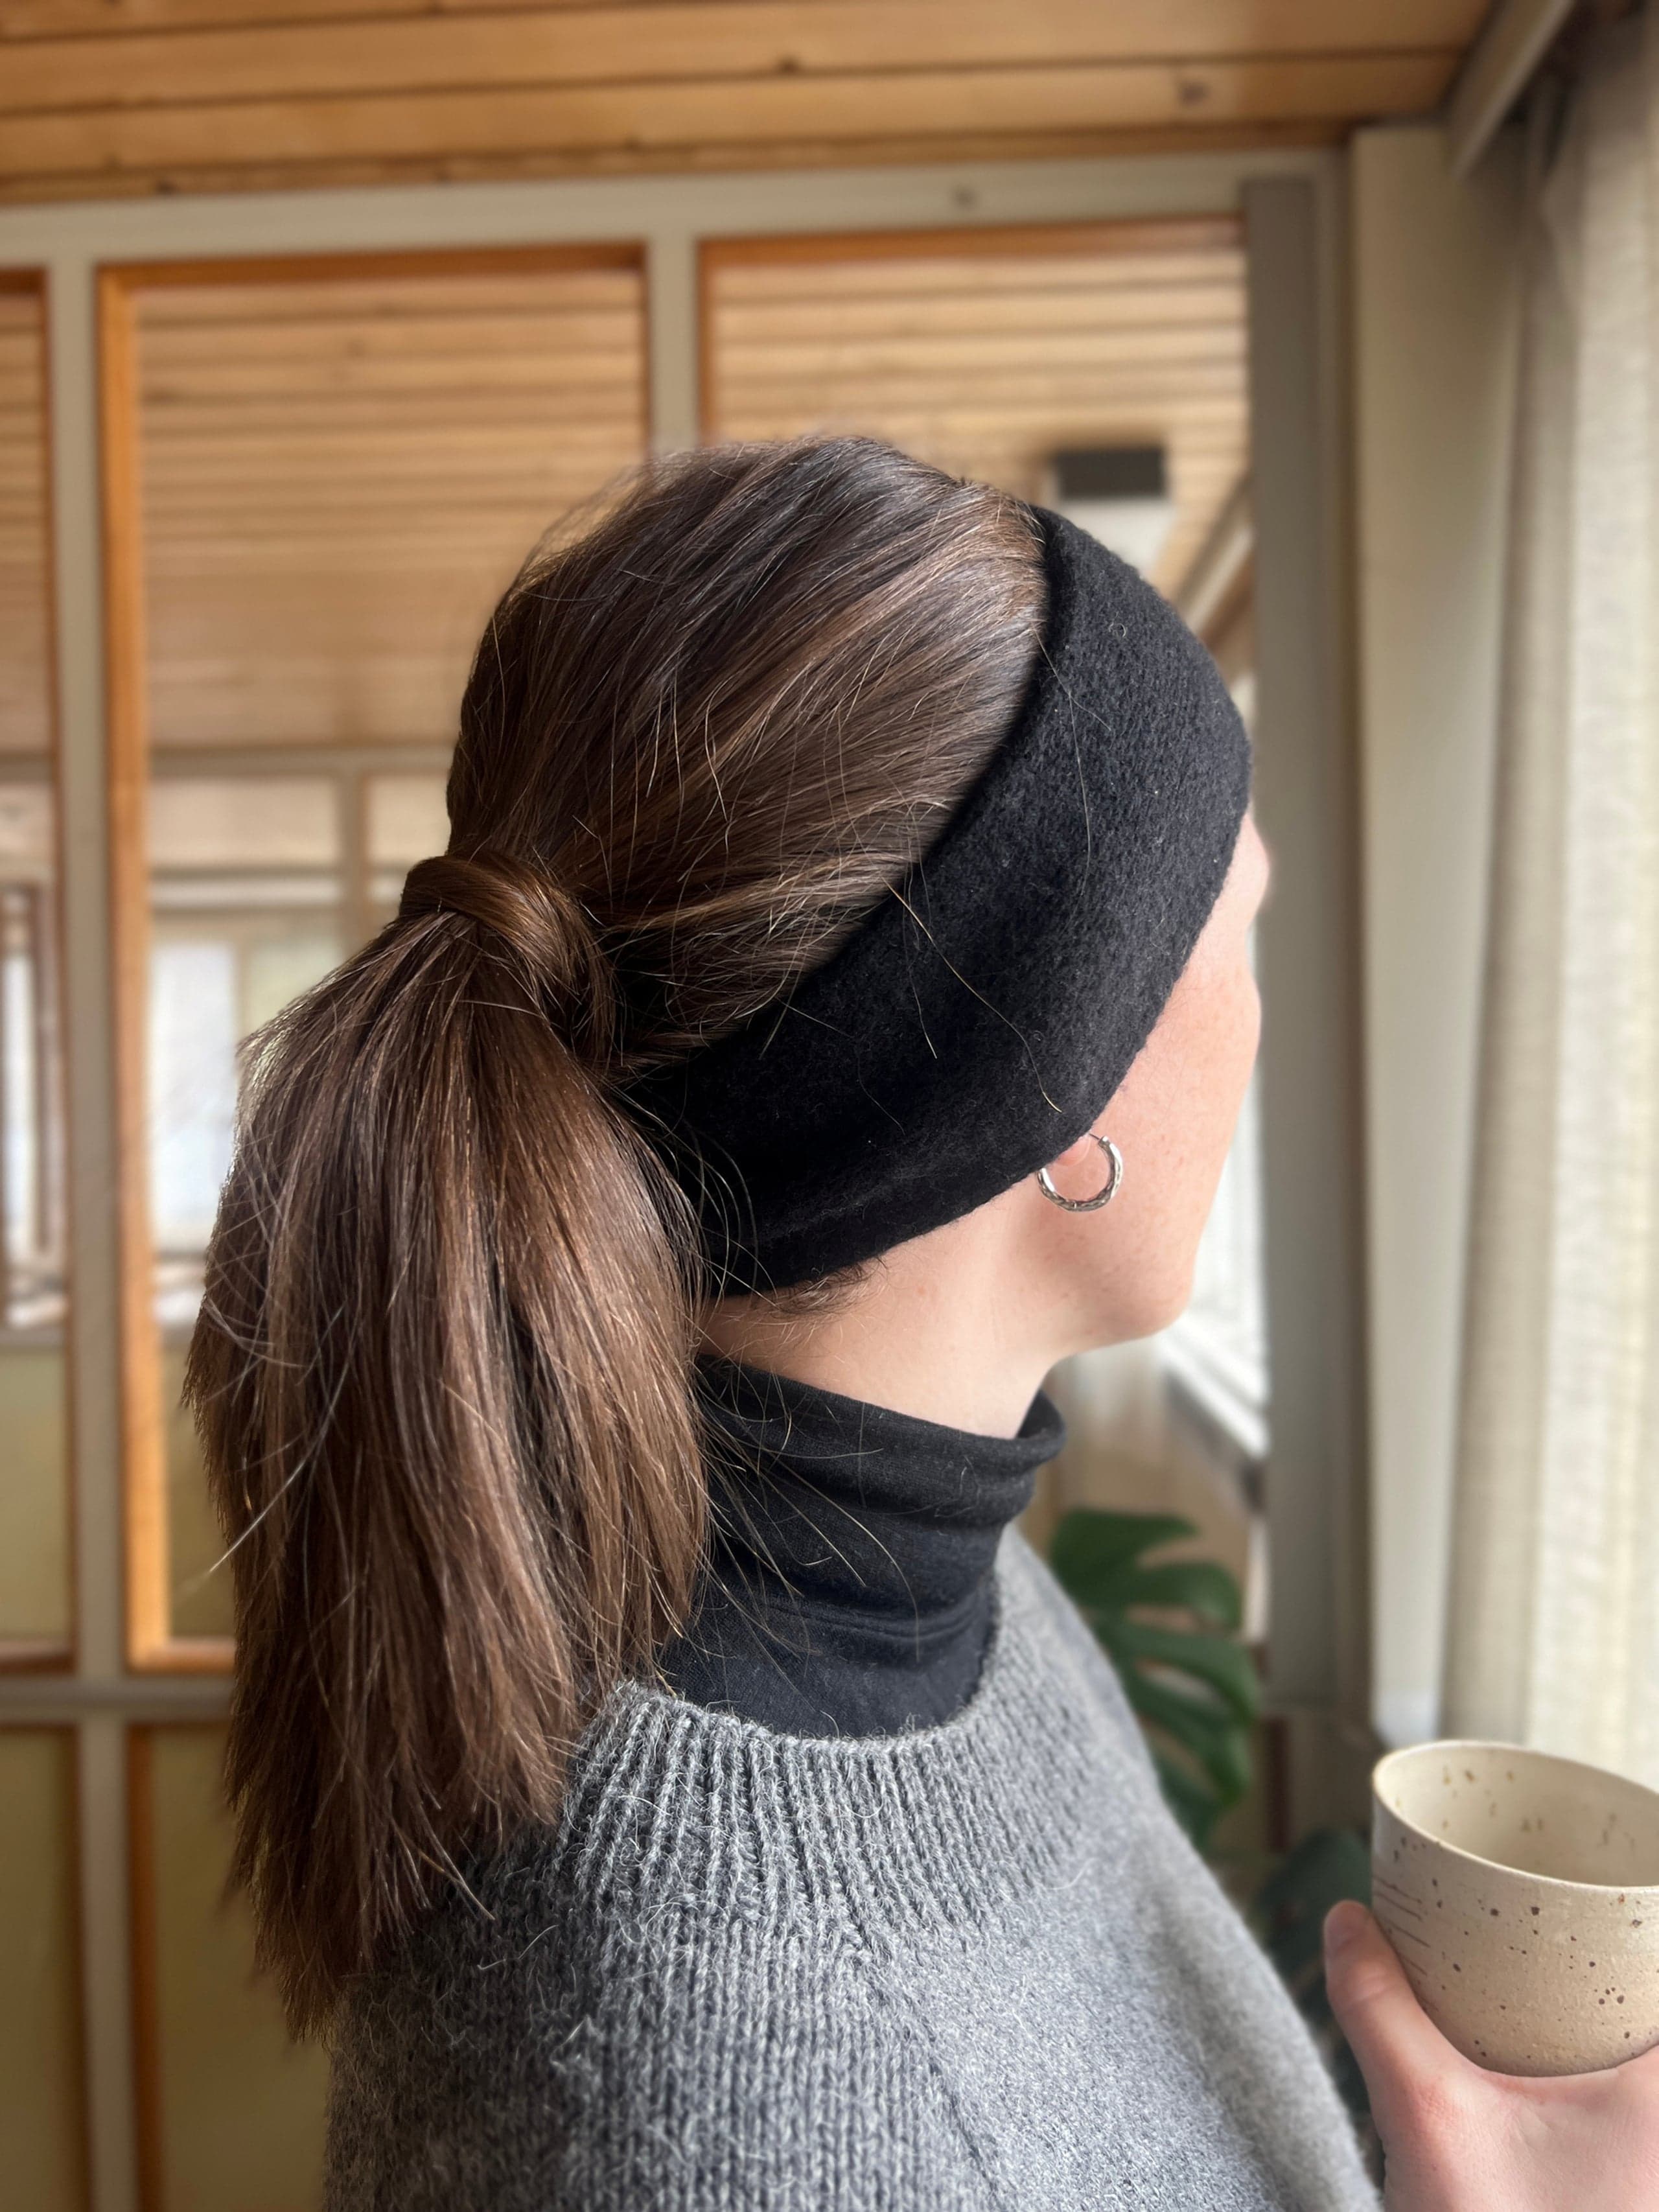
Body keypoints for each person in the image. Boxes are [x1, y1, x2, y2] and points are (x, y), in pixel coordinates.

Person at [188, 436, 1659, 2208]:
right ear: (1067, 1074)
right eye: (1242, 931)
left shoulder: (947, 1606)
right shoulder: (738, 2112)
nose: (1262, 1027)